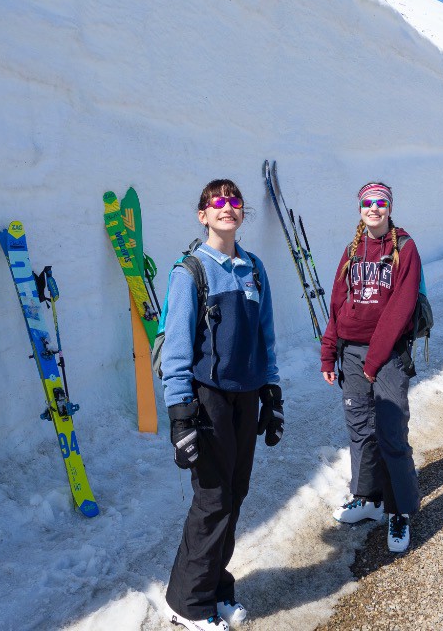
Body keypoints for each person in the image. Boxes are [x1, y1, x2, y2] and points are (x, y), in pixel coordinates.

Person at [160, 179, 283, 631]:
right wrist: (180, 415)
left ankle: (213, 588)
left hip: (246, 395)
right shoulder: (190, 270)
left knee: (235, 493)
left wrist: (271, 393)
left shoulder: (253, 268)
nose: (228, 208)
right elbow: (175, 347)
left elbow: (264, 334)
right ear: (203, 215)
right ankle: (187, 603)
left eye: (235, 202)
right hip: (208, 397)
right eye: (218, 202)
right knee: (212, 498)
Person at [319, 182, 422, 554]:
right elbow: (337, 305)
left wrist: (376, 358)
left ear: (390, 207)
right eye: (367, 203)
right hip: (351, 354)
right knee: (360, 429)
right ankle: (368, 498)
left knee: (391, 431)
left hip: (389, 354)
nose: (374, 209)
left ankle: (400, 510)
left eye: (381, 203)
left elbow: (400, 308)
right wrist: (329, 352)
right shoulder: (352, 251)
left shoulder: (404, 248)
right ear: (359, 208)